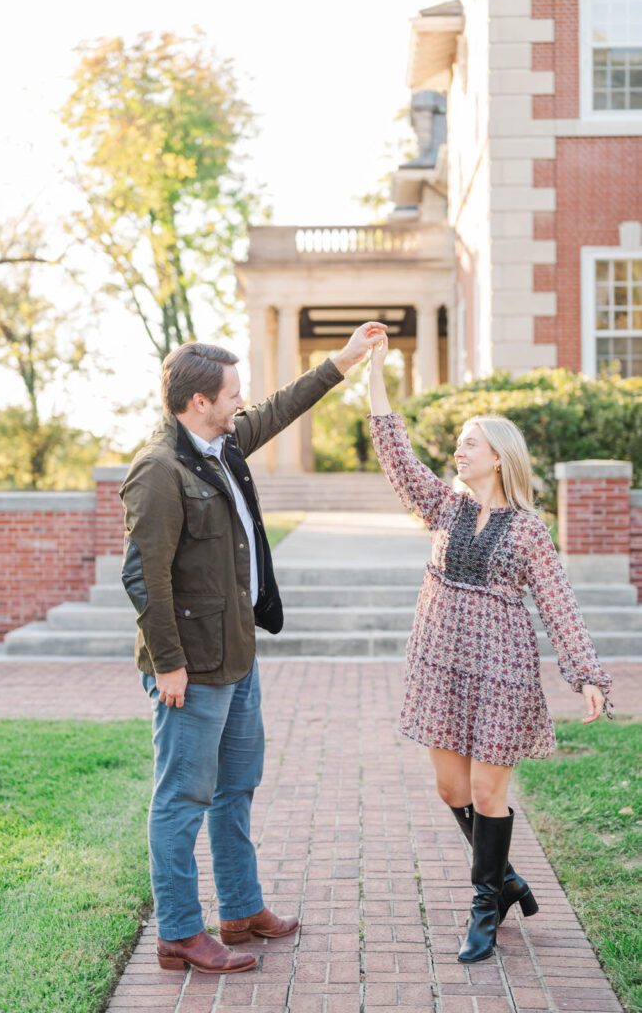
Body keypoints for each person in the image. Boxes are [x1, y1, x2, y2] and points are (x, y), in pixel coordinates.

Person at [119, 324, 387, 975]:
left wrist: (342, 362)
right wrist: (171, 664)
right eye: (231, 393)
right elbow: (142, 577)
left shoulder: (222, 442)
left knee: (237, 787)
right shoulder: (158, 471)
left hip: (238, 656)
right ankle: (180, 934)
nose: (241, 401)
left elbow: (280, 407)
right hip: (193, 666)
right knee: (182, 798)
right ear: (196, 402)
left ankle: (240, 911)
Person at [366, 331, 614, 965]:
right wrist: (375, 371)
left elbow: (558, 601)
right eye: (458, 442)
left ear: (499, 457)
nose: (458, 448)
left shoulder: (530, 529)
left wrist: (585, 672)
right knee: (450, 789)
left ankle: (484, 906)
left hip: (502, 672)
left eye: (469, 442)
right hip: (441, 665)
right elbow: (395, 454)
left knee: (485, 794)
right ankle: (503, 879)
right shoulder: (444, 508)